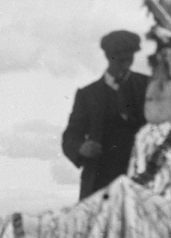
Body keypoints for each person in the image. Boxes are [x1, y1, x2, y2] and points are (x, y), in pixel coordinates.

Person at [62, 31, 149, 200]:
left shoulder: (148, 86)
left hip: (141, 179)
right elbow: (70, 136)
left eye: (128, 59)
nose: (124, 65)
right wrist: (81, 148)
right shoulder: (87, 95)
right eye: (119, 60)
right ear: (108, 57)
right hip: (99, 181)